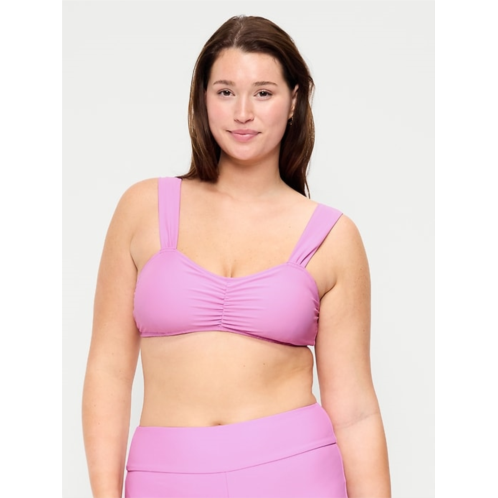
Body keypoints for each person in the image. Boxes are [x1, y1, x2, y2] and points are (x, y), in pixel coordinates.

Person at [82, 15, 391, 498]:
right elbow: (108, 371)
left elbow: (354, 410)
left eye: (263, 93)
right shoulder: (142, 209)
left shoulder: (333, 236)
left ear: (294, 101)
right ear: (202, 99)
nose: (243, 112)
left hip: (296, 475)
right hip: (167, 478)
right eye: (225, 92)